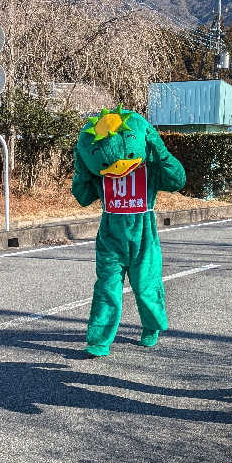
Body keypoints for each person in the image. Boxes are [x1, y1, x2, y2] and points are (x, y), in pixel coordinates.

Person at [72, 106, 186, 353]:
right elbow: (81, 196)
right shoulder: (101, 173)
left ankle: (151, 325)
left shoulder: (149, 168)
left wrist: (158, 148)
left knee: (146, 286)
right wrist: (81, 166)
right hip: (110, 237)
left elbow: (178, 180)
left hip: (144, 236)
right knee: (106, 288)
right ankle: (99, 340)